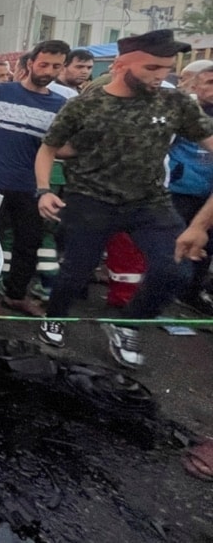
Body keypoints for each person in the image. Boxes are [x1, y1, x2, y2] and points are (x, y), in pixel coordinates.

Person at [36, 30, 213, 368]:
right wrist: (44, 190)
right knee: (76, 271)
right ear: (121, 65)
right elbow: (49, 147)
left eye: (167, 68)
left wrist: (201, 225)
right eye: (152, 68)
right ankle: (55, 315)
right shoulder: (87, 103)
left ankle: (126, 323)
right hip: (90, 199)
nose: (161, 76)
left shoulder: (174, 103)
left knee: (177, 271)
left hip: (149, 201)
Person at [0, 39, 71, 318]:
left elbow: (61, 148)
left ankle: (15, 296)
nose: (48, 70)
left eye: (56, 66)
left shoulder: (61, 105)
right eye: (44, 63)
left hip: (31, 188)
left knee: (28, 244)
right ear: (30, 63)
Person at [166, 61, 213, 316]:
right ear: (195, 84)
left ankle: (191, 293)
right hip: (180, 188)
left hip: (209, 194)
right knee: (172, 243)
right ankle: (162, 291)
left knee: (205, 247)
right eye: (210, 83)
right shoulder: (181, 112)